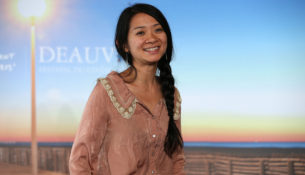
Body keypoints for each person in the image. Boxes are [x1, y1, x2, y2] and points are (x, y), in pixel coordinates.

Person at [69, 3, 185, 175]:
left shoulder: (172, 94)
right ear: (124, 45)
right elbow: (80, 160)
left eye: (158, 30)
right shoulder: (107, 90)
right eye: (140, 32)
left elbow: (177, 159)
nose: (152, 38)